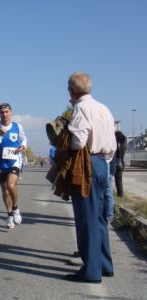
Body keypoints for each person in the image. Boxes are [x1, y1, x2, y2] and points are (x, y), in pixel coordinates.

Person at [65, 72, 117, 283]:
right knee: (98, 217)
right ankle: (105, 264)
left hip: (87, 163)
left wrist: (66, 142)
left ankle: (91, 270)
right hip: (103, 163)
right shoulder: (103, 108)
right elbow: (112, 143)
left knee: (86, 217)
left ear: (72, 90)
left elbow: (78, 140)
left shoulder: (80, 108)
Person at [0, 103, 27, 229]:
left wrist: (23, 146)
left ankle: (15, 208)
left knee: (11, 185)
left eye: (7, 111)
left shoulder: (17, 126)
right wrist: (0, 136)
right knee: (5, 191)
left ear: (11, 112)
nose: (5, 114)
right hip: (0, 163)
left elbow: (23, 139)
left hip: (14, 160)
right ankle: (9, 215)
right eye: (2, 112)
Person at [114, 131, 126, 197]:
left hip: (117, 163)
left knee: (117, 180)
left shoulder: (117, 144)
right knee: (119, 179)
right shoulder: (123, 144)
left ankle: (120, 194)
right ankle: (120, 194)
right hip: (121, 163)